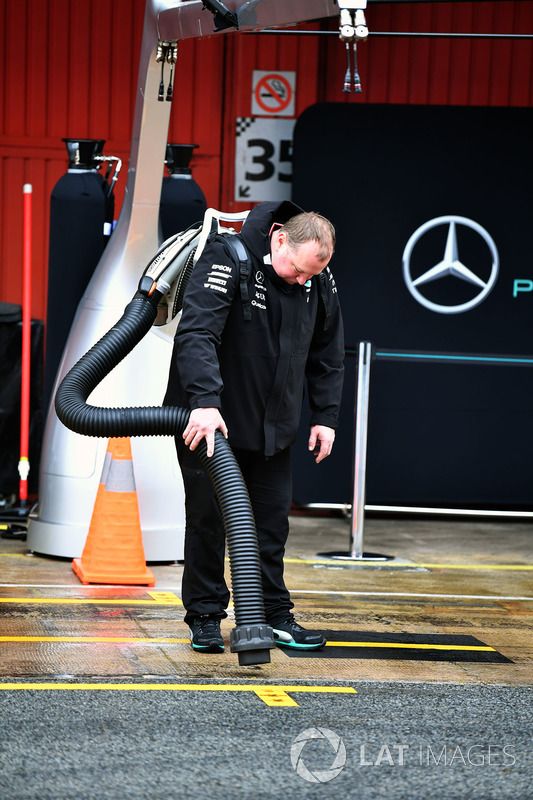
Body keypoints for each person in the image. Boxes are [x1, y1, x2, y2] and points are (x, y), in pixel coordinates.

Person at [164, 200, 344, 653]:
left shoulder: (317, 281)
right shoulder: (228, 257)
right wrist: (204, 403)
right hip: (210, 425)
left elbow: (328, 353)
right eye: (297, 269)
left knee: (269, 526)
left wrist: (325, 417)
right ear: (280, 238)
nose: (302, 279)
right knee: (208, 521)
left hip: (274, 429)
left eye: (310, 275)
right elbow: (196, 334)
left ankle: (274, 616)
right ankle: (205, 618)